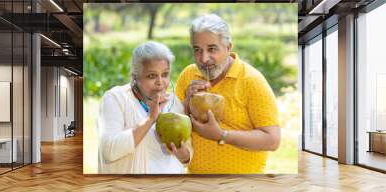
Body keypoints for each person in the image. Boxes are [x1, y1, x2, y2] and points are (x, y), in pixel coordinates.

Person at [175, 14, 281, 174]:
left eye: (212, 49)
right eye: (197, 50)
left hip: (243, 184)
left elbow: (272, 140)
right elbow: (175, 121)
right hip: (196, 181)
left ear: (228, 47)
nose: (204, 59)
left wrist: (221, 135)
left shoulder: (251, 81)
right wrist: (188, 101)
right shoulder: (188, 75)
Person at [98, 41, 193, 174]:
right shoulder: (115, 98)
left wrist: (182, 154)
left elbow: (187, 157)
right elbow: (108, 151)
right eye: (151, 76)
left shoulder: (173, 102)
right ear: (135, 77)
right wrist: (150, 119)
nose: (160, 82)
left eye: (165, 74)